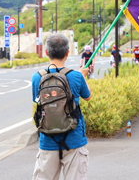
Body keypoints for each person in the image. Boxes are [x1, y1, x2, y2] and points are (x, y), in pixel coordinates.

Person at [32, 33, 91, 180]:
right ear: (67, 53)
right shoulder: (76, 76)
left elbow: (37, 101)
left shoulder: (37, 77)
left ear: (46, 52)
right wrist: (83, 75)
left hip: (47, 139)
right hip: (74, 139)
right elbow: (88, 96)